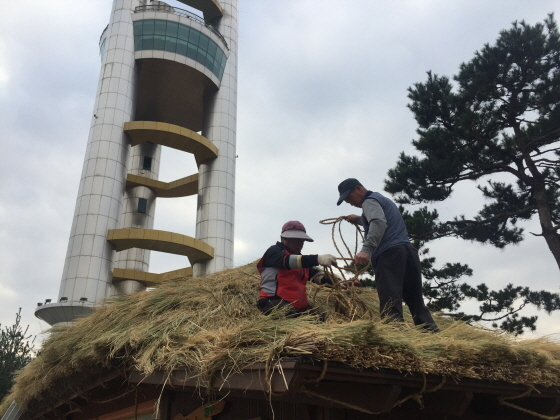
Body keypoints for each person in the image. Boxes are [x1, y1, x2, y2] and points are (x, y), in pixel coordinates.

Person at [337, 178, 439, 331]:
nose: (349, 202)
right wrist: (358, 219)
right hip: (407, 251)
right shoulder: (382, 199)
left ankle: (394, 335)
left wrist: (366, 249)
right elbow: (383, 219)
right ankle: (431, 334)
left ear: (358, 189)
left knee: (390, 301)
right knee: (415, 300)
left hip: (390, 254)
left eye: (349, 197)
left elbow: (378, 222)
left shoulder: (368, 202)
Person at [257, 221, 338, 317]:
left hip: (297, 307)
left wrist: (337, 282)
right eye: (296, 240)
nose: (300, 244)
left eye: (302, 241)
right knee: (290, 316)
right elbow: (287, 262)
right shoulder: (274, 252)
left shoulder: (301, 261)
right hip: (272, 302)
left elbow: (316, 276)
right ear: (284, 239)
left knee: (320, 318)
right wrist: (317, 259)